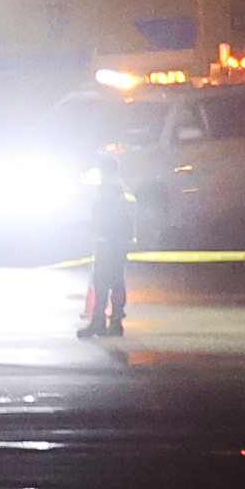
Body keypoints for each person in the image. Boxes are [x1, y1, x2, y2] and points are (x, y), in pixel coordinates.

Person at [79, 131, 140, 336]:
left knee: (103, 282)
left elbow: (107, 216)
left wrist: (98, 232)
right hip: (120, 241)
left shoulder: (109, 188)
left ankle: (99, 322)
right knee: (116, 282)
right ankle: (115, 323)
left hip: (109, 241)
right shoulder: (121, 186)